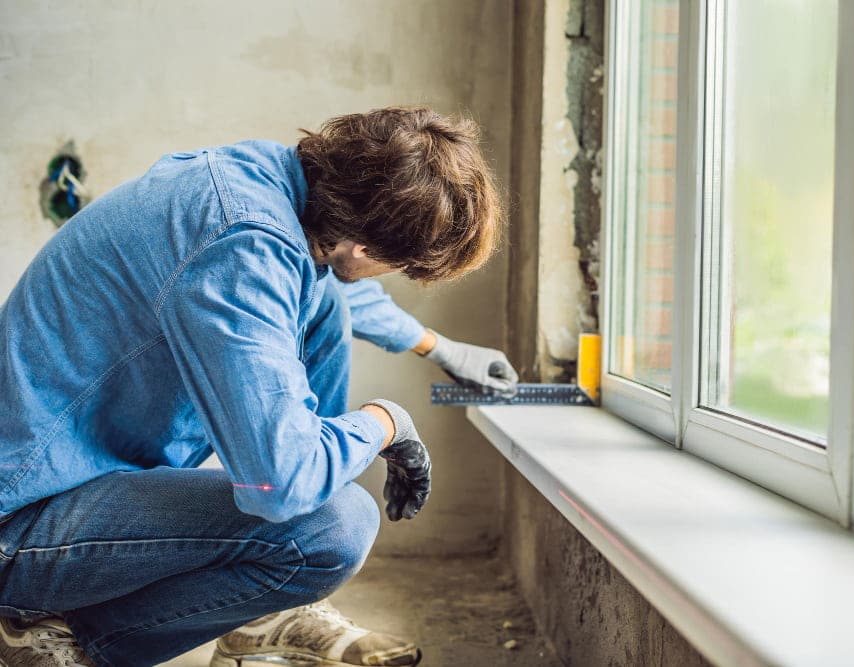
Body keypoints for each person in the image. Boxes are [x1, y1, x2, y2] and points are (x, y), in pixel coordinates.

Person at [0, 107, 518, 666]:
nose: (390, 276)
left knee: (326, 311)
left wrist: (438, 348)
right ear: (363, 251)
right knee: (332, 525)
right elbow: (282, 485)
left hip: (69, 482)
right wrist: (386, 421)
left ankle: (261, 616)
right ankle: (49, 631)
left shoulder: (273, 186)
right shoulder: (241, 243)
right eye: (398, 265)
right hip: (20, 521)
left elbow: (338, 290)